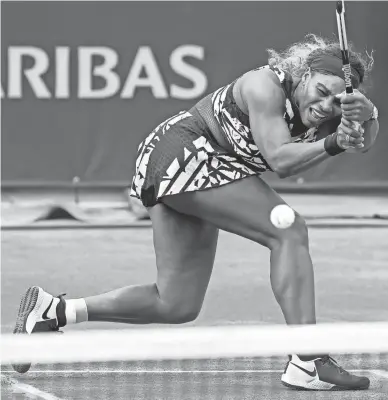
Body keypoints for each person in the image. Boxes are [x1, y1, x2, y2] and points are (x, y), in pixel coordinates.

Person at [13, 34, 379, 390]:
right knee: (289, 232)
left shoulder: (332, 108)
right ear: (304, 75)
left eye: (337, 100)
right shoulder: (263, 86)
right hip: (186, 151)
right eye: (321, 92)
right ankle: (308, 360)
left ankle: (53, 311)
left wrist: (367, 117)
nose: (326, 105)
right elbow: (281, 160)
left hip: (208, 166)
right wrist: (334, 142)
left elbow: (362, 143)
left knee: (176, 304)